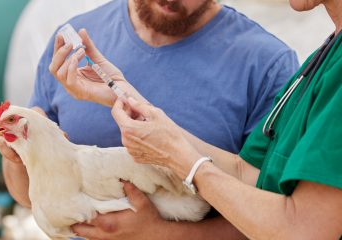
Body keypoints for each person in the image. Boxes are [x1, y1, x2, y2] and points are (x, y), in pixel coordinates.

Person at [0, 0, 299, 239]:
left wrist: (160, 235)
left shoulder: (267, 65)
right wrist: (18, 155)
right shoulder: (73, 44)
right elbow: (25, 195)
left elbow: (281, 221)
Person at [58, 0, 342, 238]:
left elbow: (306, 228)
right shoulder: (325, 58)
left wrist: (182, 163)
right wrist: (124, 95)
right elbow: (247, 173)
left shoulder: (279, 62)